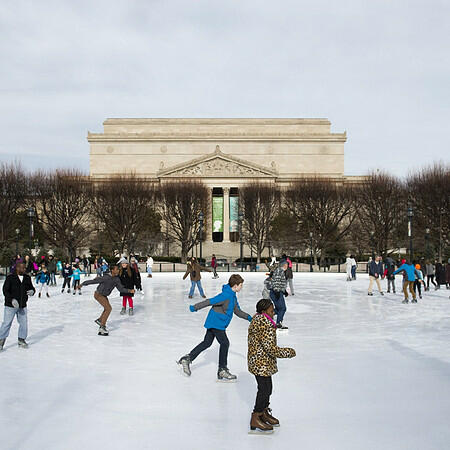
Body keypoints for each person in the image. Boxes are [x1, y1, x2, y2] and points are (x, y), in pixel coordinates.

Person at [177, 274, 252, 381]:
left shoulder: (233, 296)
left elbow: (237, 311)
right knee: (225, 343)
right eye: (241, 285)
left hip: (216, 322)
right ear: (235, 286)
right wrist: (195, 307)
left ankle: (187, 359)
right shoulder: (225, 295)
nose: (241, 287)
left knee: (207, 342)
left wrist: (249, 318)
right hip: (217, 323)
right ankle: (222, 370)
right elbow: (210, 301)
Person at [247, 298, 296, 434]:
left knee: (267, 388)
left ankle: (263, 412)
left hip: (259, 361)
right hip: (260, 362)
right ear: (264, 311)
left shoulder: (259, 319)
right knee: (264, 390)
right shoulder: (264, 323)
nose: (273, 311)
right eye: (271, 309)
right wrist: (288, 352)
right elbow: (271, 349)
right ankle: (256, 417)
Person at [81, 265, 135, 336]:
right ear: (112, 270)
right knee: (108, 308)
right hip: (98, 294)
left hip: (104, 295)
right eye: (116, 269)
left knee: (107, 308)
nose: (118, 271)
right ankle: (102, 327)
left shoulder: (116, 279)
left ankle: (100, 320)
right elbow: (93, 281)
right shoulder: (105, 277)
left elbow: (121, 289)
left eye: (118, 269)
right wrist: (82, 284)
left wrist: (129, 290)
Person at [0, 262, 35, 350]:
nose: (24, 269)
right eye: (22, 268)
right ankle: (1, 341)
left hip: (22, 305)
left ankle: (21, 339)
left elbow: (31, 287)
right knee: (7, 323)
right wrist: (12, 300)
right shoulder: (10, 278)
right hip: (10, 306)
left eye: (24, 268)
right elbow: (5, 290)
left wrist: (32, 291)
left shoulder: (27, 278)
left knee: (23, 323)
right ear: (17, 268)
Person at [269, 259, 289, 329]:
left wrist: (284, 291)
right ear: (284, 265)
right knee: (282, 308)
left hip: (276, 292)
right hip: (275, 292)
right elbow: (276, 282)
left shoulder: (280, 271)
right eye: (287, 265)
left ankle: (267, 315)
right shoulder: (279, 271)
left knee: (278, 309)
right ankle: (278, 323)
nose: (287, 266)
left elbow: (280, 283)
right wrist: (277, 291)